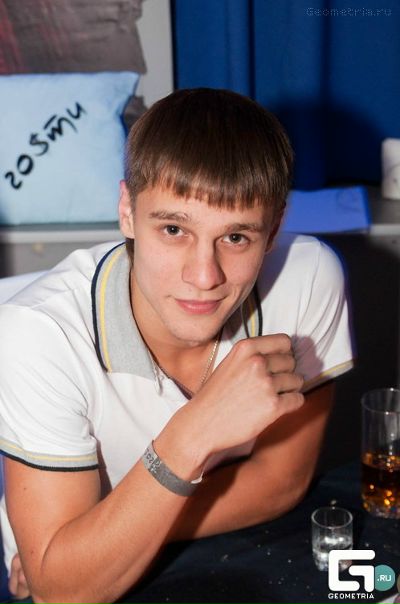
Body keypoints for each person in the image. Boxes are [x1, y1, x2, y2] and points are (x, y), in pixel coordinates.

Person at [0, 88, 353, 604]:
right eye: (173, 229)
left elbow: (281, 483)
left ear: (274, 229)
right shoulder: (37, 334)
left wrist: (111, 539)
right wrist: (194, 432)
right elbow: (64, 592)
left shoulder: (309, 278)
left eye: (236, 237)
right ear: (127, 211)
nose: (204, 277)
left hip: (221, 546)